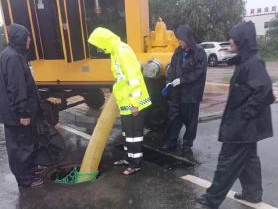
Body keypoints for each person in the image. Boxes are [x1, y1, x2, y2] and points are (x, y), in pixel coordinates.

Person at [196, 21, 275, 209]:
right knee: (249, 159)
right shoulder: (246, 59)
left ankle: (211, 200)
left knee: (227, 161)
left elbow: (264, 90)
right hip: (247, 123)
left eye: (234, 38)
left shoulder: (254, 62)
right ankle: (252, 194)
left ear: (243, 41)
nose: (230, 41)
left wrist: (247, 113)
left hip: (244, 123)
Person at [88, 27, 152, 175]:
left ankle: (135, 163)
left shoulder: (122, 50)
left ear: (104, 40)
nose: (98, 47)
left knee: (134, 134)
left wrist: (135, 103)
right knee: (127, 133)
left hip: (133, 102)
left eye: (98, 43)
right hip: (125, 101)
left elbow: (134, 77)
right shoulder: (115, 51)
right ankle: (128, 158)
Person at [0, 23, 43, 189]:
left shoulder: (11, 54)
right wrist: (23, 113)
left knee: (25, 143)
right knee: (21, 146)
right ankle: (25, 179)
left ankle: (29, 171)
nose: (30, 39)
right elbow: (16, 88)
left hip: (15, 113)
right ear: (21, 38)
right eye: (28, 37)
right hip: (17, 115)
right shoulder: (14, 57)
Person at [161, 25, 207, 152]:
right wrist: (169, 81)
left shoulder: (199, 52)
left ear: (188, 39)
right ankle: (171, 142)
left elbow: (199, 73)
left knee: (190, 120)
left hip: (191, 93)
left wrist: (182, 80)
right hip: (177, 92)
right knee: (174, 117)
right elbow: (172, 67)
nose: (180, 43)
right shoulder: (178, 51)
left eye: (181, 40)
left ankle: (187, 143)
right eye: (178, 40)